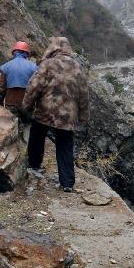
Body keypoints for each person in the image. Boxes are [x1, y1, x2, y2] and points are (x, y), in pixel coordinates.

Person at [22, 36, 89, 192]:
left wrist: (26, 105)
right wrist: (84, 116)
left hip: (46, 111)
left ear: (53, 48)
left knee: (37, 137)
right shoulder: (78, 67)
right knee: (65, 146)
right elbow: (84, 94)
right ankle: (67, 183)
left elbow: (34, 86)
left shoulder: (47, 64)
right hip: (67, 116)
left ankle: (34, 166)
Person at [0, 41, 38, 115]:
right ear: (26, 53)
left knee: (11, 124)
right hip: (27, 104)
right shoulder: (34, 67)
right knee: (26, 125)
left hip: (10, 103)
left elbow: (2, 87)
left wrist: (0, 102)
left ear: (14, 52)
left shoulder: (6, 66)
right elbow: (36, 88)